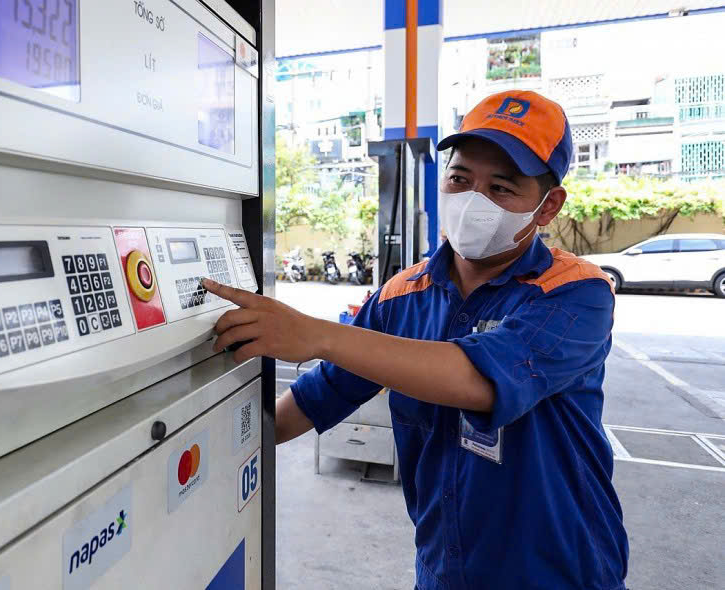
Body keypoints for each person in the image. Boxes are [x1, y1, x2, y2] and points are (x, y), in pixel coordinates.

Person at [202, 90, 629, 590]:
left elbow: (479, 380)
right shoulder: (401, 296)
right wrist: (201, 451)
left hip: (561, 576)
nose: (473, 200)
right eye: (460, 179)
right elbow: (321, 395)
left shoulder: (576, 293)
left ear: (547, 205)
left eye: (501, 187)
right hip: (444, 572)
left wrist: (315, 335)